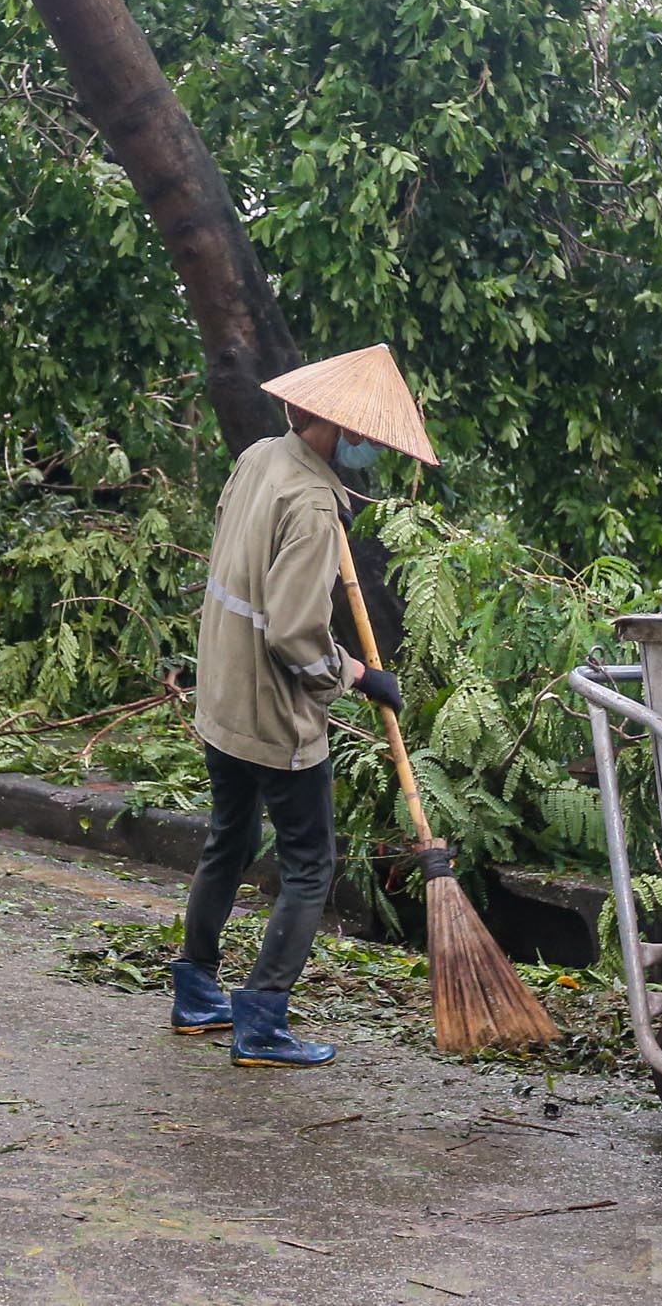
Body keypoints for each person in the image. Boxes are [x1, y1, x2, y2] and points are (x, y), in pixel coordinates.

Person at [168, 345, 440, 1068]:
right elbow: (292, 634)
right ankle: (261, 1021)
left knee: (229, 837)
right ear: (327, 424)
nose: (369, 450)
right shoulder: (315, 506)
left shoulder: (260, 457)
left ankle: (195, 990)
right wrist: (357, 674)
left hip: (221, 695)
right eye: (366, 437)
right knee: (311, 863)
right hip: (273, 718)